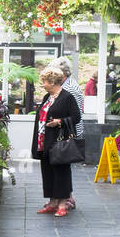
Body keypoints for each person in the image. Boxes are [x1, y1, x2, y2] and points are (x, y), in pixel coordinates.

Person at [33, 64, 81, 218]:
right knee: (47, 170)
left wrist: (59, 122)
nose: (43, 84)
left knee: (61, 171)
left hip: (59, 141)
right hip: (45, 140)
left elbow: (76, 117)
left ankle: (62, 204)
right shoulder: (48, 97)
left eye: (45, 81)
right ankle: (52, 202)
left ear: (52, 82)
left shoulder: (67, 97)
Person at [54, 57, 85, 210]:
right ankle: (67, 196)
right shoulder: (66, 84)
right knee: (63, 166)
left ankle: (68, 198)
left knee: (64, 166)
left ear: (62, 73)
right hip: (66, 131)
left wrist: (59, 122)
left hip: (68, 133)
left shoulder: (70, 88)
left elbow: (76, 115)